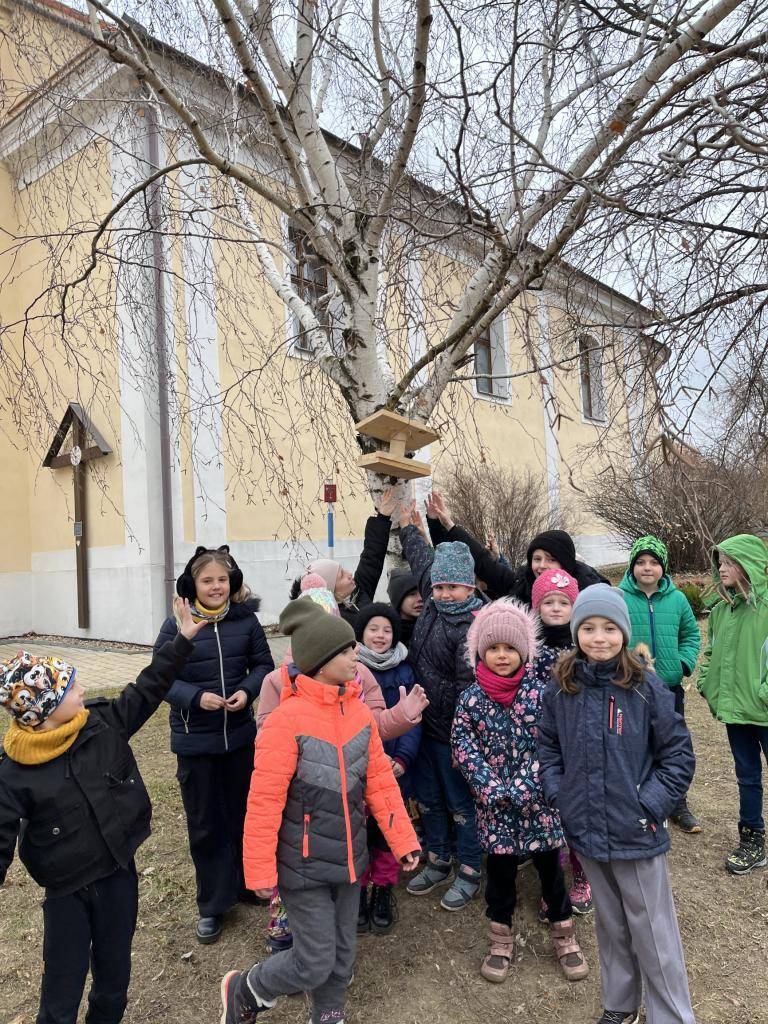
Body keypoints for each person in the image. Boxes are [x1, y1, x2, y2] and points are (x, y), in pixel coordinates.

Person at [0, 600, 207, 1024]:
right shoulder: (14, 773)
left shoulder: (102, 724)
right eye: (71, 688)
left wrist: (182, 640)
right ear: (42, 711)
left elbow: (148, 688)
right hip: (66, 893)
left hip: (118, 874)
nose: (82, 691)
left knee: (113, 981)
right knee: (61, 992)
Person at [220, 597, 420, 1024]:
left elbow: (381, 784)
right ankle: (248, 988)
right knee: (313, 960)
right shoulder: (285, 721)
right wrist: (258, 871)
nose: (356, 656)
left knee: (343, 952)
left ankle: (328, 1012)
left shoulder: (360, 714)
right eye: (347, 650)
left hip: (350, 862)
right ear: (321, 660)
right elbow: (263, 803)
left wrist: (404, 840)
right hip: (303, 866)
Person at [538, 584, 696, 1024]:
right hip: (586, 829)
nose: (599, 637)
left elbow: (678, 754)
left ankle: (670, 1015)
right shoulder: (562, 686)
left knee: (653, 931)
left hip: (636, 830)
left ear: (624, 632)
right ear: (576, 631)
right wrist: (561, 793)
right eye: (588, 628)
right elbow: (548, 746)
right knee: (611, 924)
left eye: (609, 628)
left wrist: (650, 804)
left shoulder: (644, 686)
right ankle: (620, 1004)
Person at [257, 584, 427, 953]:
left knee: (341, 891)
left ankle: (332, 964)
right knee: (304, 895)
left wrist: (402, 717)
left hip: (346, 815)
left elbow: (377, 755)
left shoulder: (357, 689)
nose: (357, 656)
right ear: (319, 650)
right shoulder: (277, 685)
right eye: (348, 649)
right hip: (300, 816)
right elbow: (265, 795)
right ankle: (296, 942)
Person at [452, 598, 589, 984]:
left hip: (540, 805)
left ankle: (563, 933)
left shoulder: (542, 694)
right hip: (495, 809)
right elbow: (463, 746)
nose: (501, 655)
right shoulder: (471, 699)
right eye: (493, 648)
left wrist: (529, 782)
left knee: (551, 872)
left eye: (510, 648)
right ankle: (500, 938)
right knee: (500, 877)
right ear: (480, 652)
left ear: (524, 651)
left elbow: (553, 743)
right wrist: (490, 786)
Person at [155, 545, 275, 944]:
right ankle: (213, 903)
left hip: (240, 739)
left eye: (222, 579)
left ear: (232, 583)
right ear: (193, 585)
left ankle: (245, 883)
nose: (216, 586)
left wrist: (247, 690)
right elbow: (160, 678)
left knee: (244, 815)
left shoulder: (247, 622)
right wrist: (195, 697)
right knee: (206, 825)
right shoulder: (177, 625)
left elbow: (263, 666)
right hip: (195, 744)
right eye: (207, 580)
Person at [398, 502, 484, 911]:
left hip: (453, 735)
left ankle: (469, 866)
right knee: (428, 797)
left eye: (453, 587)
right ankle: (438, 856)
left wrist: (460, 738)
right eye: (439, 587)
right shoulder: (432, 605)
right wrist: (406, 525)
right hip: (422, 729)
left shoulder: (471, 626)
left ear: (469, 588)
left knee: (459, 802)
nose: (444, 593)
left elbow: (470, 690)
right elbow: (419, 560)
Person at [619, 535, 702, 833]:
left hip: (668, 688)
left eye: (654, 562)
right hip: (632, 687)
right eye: (640, 562)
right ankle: (638, 803)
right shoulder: (621, 597)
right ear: (632, 566)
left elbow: (691, 636)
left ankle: (677, 802)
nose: (647, 568)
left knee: (670, 744)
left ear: (663, 567)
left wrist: (682, 663)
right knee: (636, 744)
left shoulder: (677, 599)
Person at [698, 535, 768, 874]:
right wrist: (707, 683)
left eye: (728, 562)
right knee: (747, 776)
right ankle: (752, 838)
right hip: (736, 712)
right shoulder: (722, 611)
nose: (721, 568)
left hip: (764, 711)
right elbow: (711, 653)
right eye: (720, 563)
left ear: (748, 564)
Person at [354, 602, 421, 934]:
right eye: (373, 629)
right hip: (357, 772)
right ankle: (359, 892)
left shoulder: (404, 671)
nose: (380, 636)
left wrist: (402, 759)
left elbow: (412, 720)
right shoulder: (348, 669)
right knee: (360, 835)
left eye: (387, 630)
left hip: (394, 769)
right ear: (361, 633)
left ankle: (382, 889)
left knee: (385, 834)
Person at [530, 567, 593, 915]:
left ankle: (583, 876)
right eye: (548, 601)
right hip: (542, 742)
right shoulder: (530, 646)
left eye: (563, 602)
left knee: (577, 815)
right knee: (548, 818)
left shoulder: (582, 647)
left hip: (578, 744)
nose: (555, 608)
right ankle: (551, 882)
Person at [424, 491, 608, 607]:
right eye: (537, 559)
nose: (541, 566)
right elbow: (483, 562)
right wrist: (447, 525)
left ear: (566, 562)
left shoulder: (589, 590)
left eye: (551, 559)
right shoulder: (522, 583)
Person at [289, 486, 400, 626]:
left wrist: (382, 518)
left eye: (343, 570)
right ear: (331, 591)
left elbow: (371, 559)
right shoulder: (332, 624)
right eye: (341, 576)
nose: (349, 574)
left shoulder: (357, 595)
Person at [387, 567, 423, 645]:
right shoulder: (387, 633)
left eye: (422, 592)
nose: (420, 598)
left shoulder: (433, 627)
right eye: (412, 594)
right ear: (398, 598)